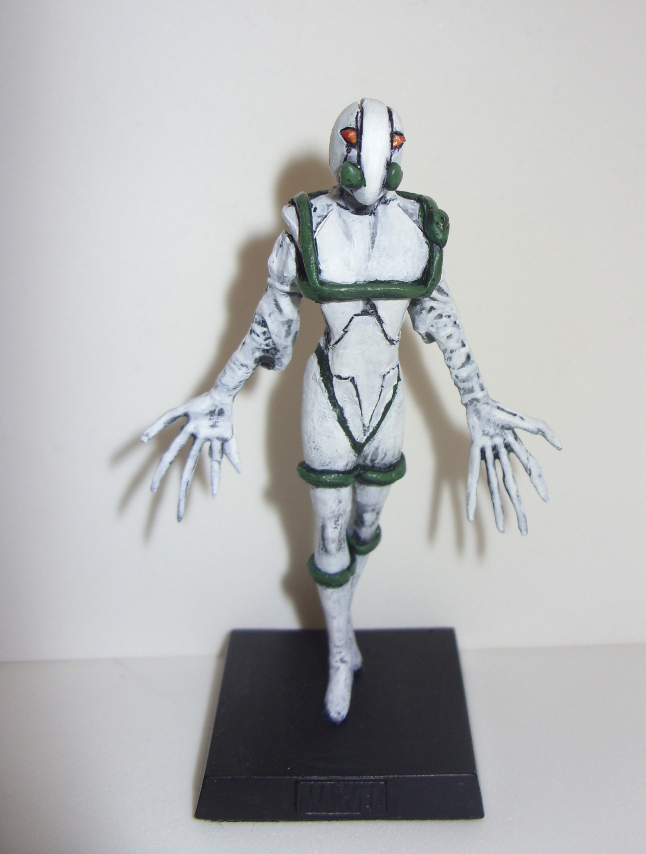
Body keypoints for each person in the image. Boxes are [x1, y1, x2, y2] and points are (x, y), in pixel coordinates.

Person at [143, 98, 561, 723]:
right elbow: (270, 317)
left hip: (386, 397)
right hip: (329, 396)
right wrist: (223, 392)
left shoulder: (417, 226)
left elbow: (440, 316)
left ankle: (344, 619)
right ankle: (340, 649)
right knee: (331, 528)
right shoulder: (307, 227)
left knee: (367, 522)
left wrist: (476, 399)